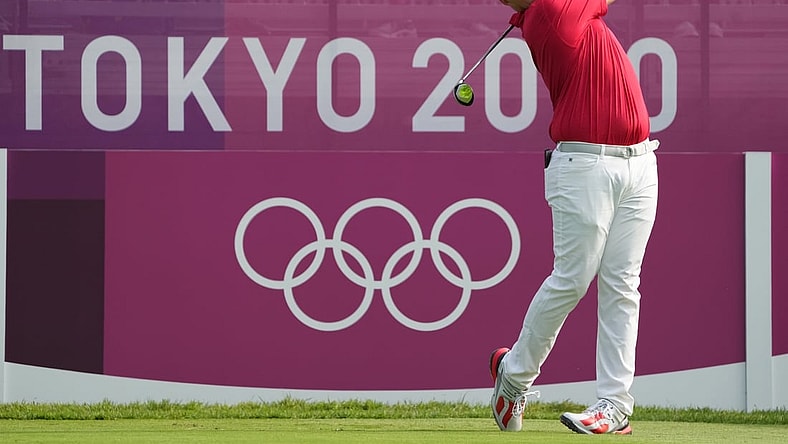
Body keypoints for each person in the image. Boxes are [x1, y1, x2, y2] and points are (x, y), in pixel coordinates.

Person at [489, 0, 659, 435]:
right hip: (584, 165)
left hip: (639, 161)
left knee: (623, 283)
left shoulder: (563, 9)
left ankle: (614, 406)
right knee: (572, 278)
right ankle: (515, 376)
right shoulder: (549, 13)